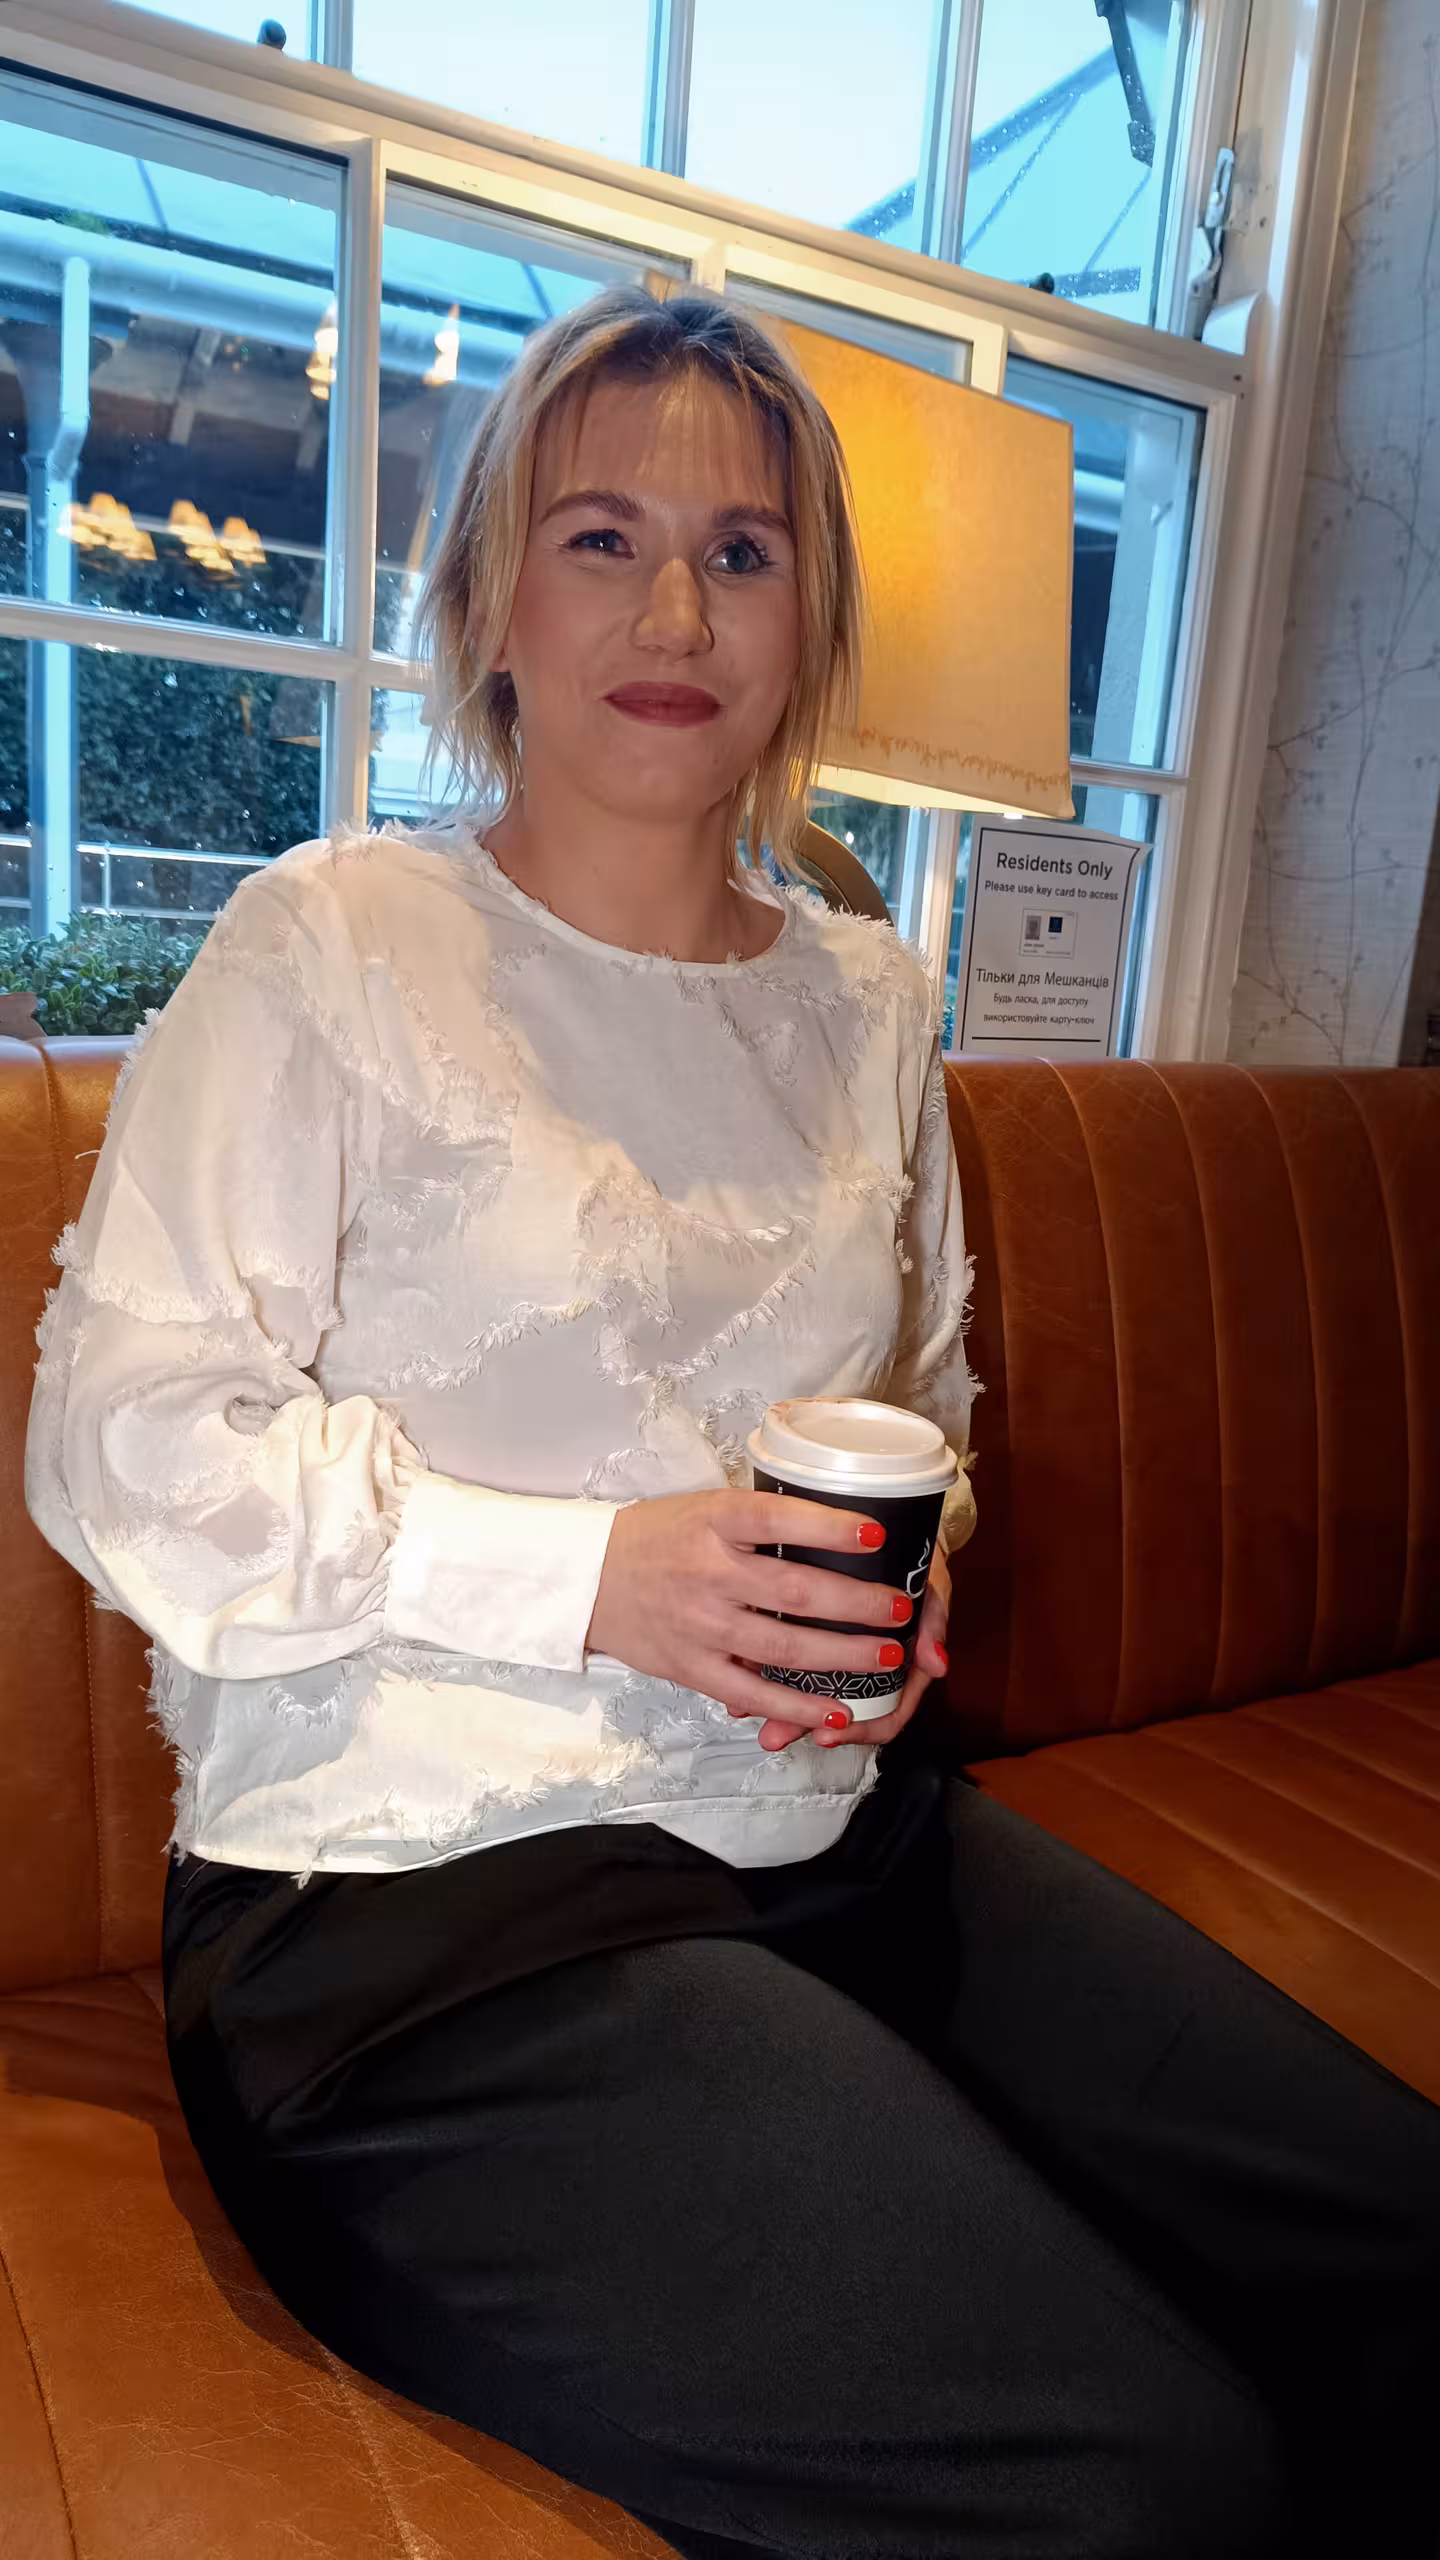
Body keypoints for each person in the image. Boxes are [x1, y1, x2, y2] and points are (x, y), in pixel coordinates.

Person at [24, 289, 1439, 2560]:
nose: (675, 611)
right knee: (1153, 2481)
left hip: (824, 1822)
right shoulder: (332, 942)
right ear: (493, 597)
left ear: (810, 627)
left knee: (1402, 2255)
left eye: (744, 553)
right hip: (413, 1906)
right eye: (601, 537)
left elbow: (923, 1403)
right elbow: (125, 1443)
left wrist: (919, 1568)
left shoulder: (869, 1001)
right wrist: (598, 1575)